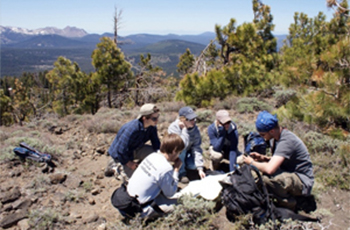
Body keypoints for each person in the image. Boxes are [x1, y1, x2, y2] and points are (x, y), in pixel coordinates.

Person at [243, 110, 314, 210]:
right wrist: (264, 158)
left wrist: (251, 162)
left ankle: (289, 203)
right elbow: (281, 159)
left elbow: (270, 169)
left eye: (263, 135)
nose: (262, 138)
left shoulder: (286, 141)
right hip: (289, 172)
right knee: (259, 172)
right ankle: (275, 195)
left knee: (269, 179)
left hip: (302, 180)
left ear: (271, 131)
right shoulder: (275, 137)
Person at [126, 133, 185, 219]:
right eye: (179, 152)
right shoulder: (166, 168)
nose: (179, 155)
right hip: (139, 209)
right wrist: (176, 170)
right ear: (174, 151)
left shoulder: (152, 156)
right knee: (180, 204)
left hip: (128, 200)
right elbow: (170, 193)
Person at [105, 103, 161, 180]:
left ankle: (140, 166)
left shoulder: (152, 127)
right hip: (120, 155)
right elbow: (120, 150)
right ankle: (114, 166)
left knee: (156, 155)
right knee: (135, 179)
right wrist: (129, 163)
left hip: (135, 149)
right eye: (154, 118)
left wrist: (162, 156)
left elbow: (156, 143)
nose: (157, 120)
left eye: (158, 117)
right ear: (144, 118)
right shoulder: (132, 129)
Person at [168, 106, 206, 181]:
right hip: (176, 152)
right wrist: (184, 129)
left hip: (188, 152)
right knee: (182, 150)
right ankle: (181, 173)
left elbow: (196, 148)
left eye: (194, 119)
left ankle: (184, 164)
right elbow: (181, 145)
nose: (193, 121)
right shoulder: (173, 128)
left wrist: (200, 168)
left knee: (193, 166)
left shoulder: (195, 130)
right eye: (190, 119)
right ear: (182, 119)